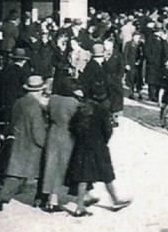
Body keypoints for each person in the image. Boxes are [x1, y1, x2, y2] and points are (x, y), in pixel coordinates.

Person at [65, 82, 131, 217]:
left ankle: (79, 207)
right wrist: (103, 141)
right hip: (98, 146)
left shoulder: (81, 110)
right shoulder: (102, 111)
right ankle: (115, 200)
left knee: (83, 176)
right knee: (106, 174)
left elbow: (72, 128)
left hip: (82, 146)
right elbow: (108, 131)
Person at [0, 75, 48, 211]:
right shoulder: (35, 107)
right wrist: (44, 143)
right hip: (32, 147)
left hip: (19, 142)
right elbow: (37, 132)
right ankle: (40, 200)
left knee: (15, 175)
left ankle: (1, 199)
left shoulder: (19, 102)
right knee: (42, 172)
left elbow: (13, 121)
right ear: (39, 91)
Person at [40, 77, 82, 213]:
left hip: (53, 134)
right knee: (62, 168)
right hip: (67, 136)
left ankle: (50, 199)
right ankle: (58, 199)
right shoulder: (74, 103)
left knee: (51, 166)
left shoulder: (53, 99)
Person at [0, 47, 33, 125]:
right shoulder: (23, 73)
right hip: (16, 106)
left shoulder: (4, 71)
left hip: (3, 104)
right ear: (24, 61)